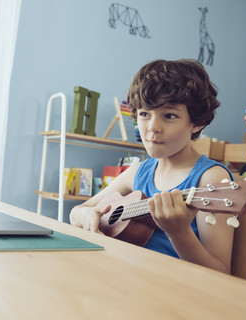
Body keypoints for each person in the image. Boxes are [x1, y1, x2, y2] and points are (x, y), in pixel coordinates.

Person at [69, 59, 234, 274]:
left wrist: (179, 233)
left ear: (197, 122)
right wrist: (86, 216)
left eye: (170, 116)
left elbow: (221, 274)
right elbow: (75, 213)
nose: (152, 127)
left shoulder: (211, 180)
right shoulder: (139, 171)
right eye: (145, 114)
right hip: (124, 277)